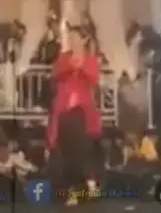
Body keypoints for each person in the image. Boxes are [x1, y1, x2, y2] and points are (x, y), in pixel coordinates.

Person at [47, 26, 101, 206]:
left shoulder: (90, 59)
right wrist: (71, 65)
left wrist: (80, 66)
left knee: (82, 152)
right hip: (64, 113)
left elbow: (93, 77)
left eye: (75, 37)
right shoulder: (64, 58)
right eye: (70, 38)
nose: (72, 41)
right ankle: (70, 191)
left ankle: (87, 186)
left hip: (82, 114)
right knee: (66, 153)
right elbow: (56, 73)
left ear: (84, 40)